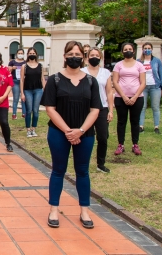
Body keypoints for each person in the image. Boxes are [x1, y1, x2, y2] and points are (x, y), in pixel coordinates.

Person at [41, 41, 101, 229]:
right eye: (71, 53)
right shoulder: (55, 80)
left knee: (82, 171)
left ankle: (84, 210)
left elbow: (95, 109)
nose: (74, 57)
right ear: (65, 56)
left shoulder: (91, 81)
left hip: (85, 133)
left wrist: (80, 130)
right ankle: (53, 209)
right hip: (59, 133)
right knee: (58, 170)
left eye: (78, 54)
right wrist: (68, 130)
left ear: (83, 57)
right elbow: (50, 108)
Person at [81, 47, 114, 173]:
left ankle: (101, 163)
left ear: (100, 57)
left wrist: (111, 110)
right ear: (87, 57)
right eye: (92, 55)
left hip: (102, 107)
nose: (94, 57)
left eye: (97, 55)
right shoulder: (82, 71)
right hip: (86, 108)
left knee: (103, 137)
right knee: (85, 136)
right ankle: (83, 162)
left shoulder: (105, 72)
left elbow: (109, 92)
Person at [112, 43, 146, 156]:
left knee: (135, 121)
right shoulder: (118, 65)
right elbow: (115, 81)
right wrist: (124, 96)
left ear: (134, 51)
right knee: (121, 122)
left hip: (137, 98)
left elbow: (143, 82)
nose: (128, 51)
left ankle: (135, 144)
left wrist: (135, 96)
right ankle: (120, 144)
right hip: (121, 98)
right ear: (122, 52)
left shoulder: (139, 65)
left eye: (130, 49)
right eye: (125, 49)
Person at [138, 43, 162, 134]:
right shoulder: (139, 62)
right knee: (142, 107)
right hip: (143, 87)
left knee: (155, 107)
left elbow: (161, 75)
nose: (147, 50)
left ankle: (156, 126)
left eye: (149, 48)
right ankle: (141, 126)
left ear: (152, 49)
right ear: (142, 49)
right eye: (145, 48)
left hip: (155, 86)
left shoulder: (157, 61)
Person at [20, 47, 45, 138]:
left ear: (36, 54)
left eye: (33, 53)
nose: (32, 54)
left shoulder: (40, 66)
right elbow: (22, 80)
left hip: (38, 90)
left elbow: (42, 78)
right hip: (28, 90)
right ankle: (28, 129)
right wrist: (22, 93)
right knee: (29, 110)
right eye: (30, 53)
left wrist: (45, 90)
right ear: (27, 55)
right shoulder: (24, 66)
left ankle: (33, 129)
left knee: (36, 110)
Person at [8, 49, 27, 120]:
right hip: (15, 81)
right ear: (16, 54)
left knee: (23, 98)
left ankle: (24, 113)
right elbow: (8, 71)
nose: (20, 54)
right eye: (19, 53)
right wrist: (12, 68)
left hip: (23, 82)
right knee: (15, 98)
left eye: (21, 53)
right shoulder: (12, 62)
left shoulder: (25, 62)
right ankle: (14, 114)